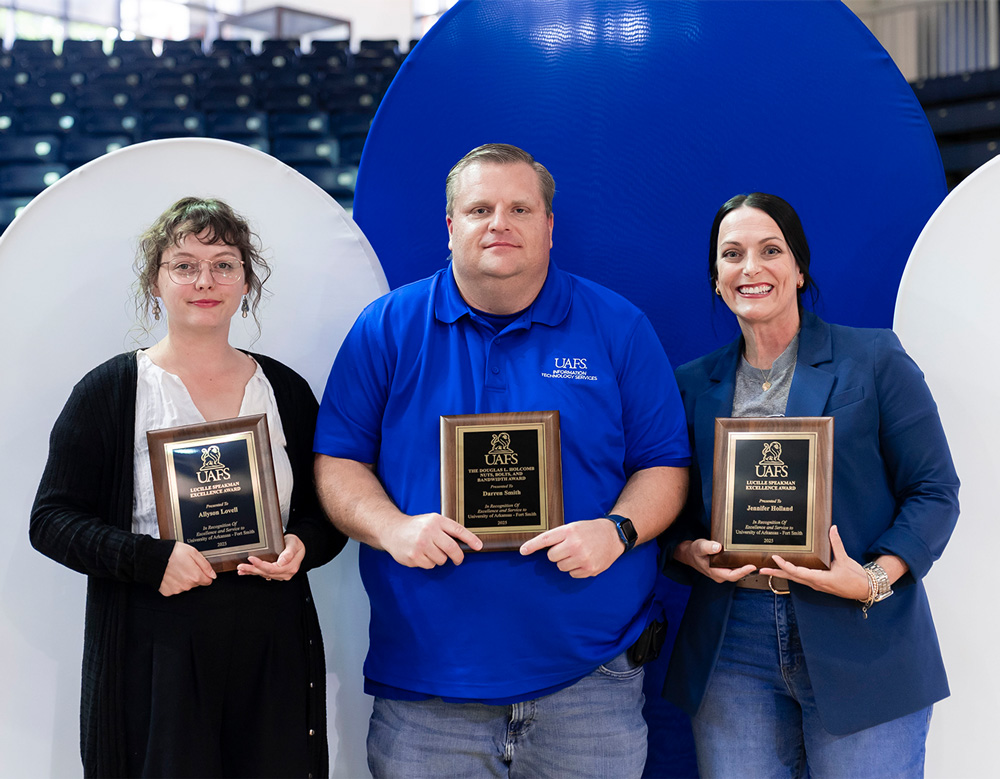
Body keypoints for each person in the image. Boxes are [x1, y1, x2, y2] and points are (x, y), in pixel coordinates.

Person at [314, 143, 690, 777]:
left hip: (589, 686)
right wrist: (392, 528)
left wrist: (618, 532)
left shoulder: (617, 327)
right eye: (480, 208)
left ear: (548, 226)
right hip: (427, 692)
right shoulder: (386, 328)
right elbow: (338, 464)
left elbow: (664, 466)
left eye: (521, 208)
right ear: (451, 225)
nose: (500, 223)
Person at [29, 197, 347, 778]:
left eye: (224, 264)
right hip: (155, 648)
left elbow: (324, 513)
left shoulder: (284, 389)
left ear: (247, 281)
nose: (206, 280)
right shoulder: (111, 391)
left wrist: (302, 546)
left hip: (270, 642)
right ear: (156, 281)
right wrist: (149, 560)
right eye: (184, 265)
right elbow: (51, 520)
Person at [663, 192, 960, 777]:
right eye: (732, 254)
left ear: (798, 269)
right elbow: (672, 508)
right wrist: (685, 549)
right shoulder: (693, 384)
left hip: (860, 632)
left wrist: (872, 579)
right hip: (733, 645)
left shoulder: (873, 358)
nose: (751, 267)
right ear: (717, 278)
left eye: (770, 250)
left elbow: (934, 490)